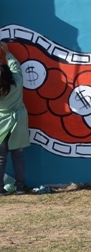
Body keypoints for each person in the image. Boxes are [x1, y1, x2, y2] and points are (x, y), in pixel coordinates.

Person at [0, 41, 29, 195]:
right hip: (18, 122)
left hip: (1, 124)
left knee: (1, 158)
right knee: (18, 156)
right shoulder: (17, 82)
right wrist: (7, 52)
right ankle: (20, 188)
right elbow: (15, 67)